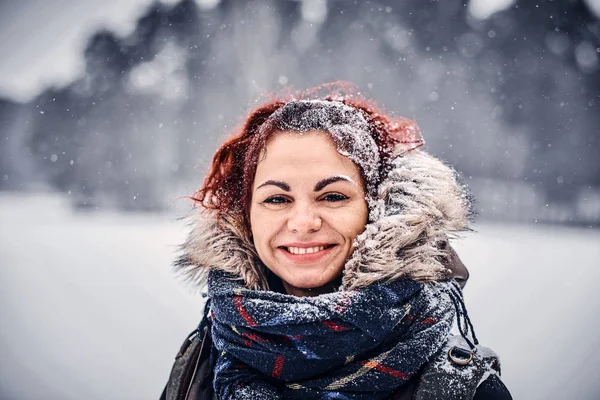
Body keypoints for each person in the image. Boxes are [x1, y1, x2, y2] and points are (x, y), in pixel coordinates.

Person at [165, 83, 512, 399]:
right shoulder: (200, 366)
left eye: (332, 196)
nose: (303, 223)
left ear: (377, 210)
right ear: (245, 218)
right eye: (277, 199)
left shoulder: (460, 389)